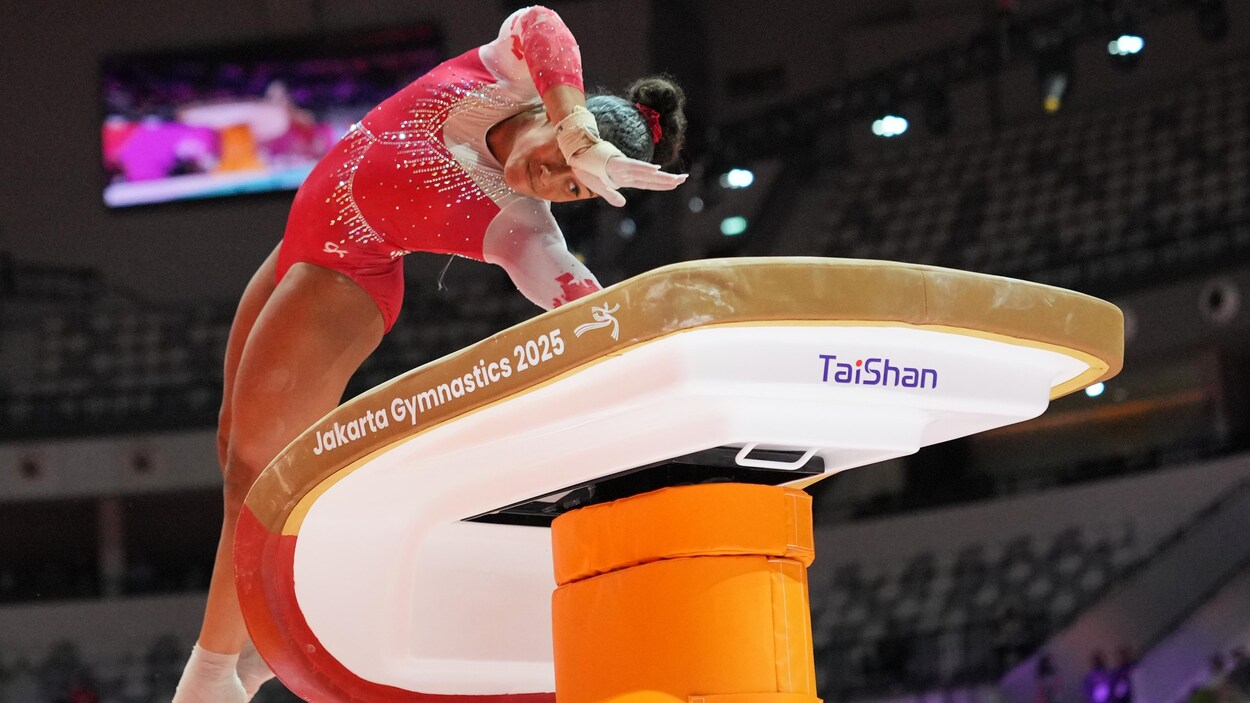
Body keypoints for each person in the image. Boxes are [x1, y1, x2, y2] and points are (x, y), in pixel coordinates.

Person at [170, 6, 688, 703]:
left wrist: (646, 353)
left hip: (345, 278)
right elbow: (541, 20)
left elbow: (575, 294)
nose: (547, 179)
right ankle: (268, 643)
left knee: (251, 476)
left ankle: (210, 678)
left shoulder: (519, 224)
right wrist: (576, 125)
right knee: (231, 446)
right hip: (298, 242)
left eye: (571, 188)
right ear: (559, 117)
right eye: (563, 159)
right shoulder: (496, 76)